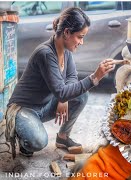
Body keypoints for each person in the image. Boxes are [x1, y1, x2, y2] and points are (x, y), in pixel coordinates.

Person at [5, 7, 115, 157]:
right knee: (38, 142)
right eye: (80, 37)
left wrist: (64, 99)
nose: (81, 42)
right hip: (23, 110)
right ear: (67, 32)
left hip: (44, 105)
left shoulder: (66, 50)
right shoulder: (45, 53)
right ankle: (25, 140)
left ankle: (63, 138)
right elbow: (61, 92)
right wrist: (95, 77)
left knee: (82, 95)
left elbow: (71, 77)